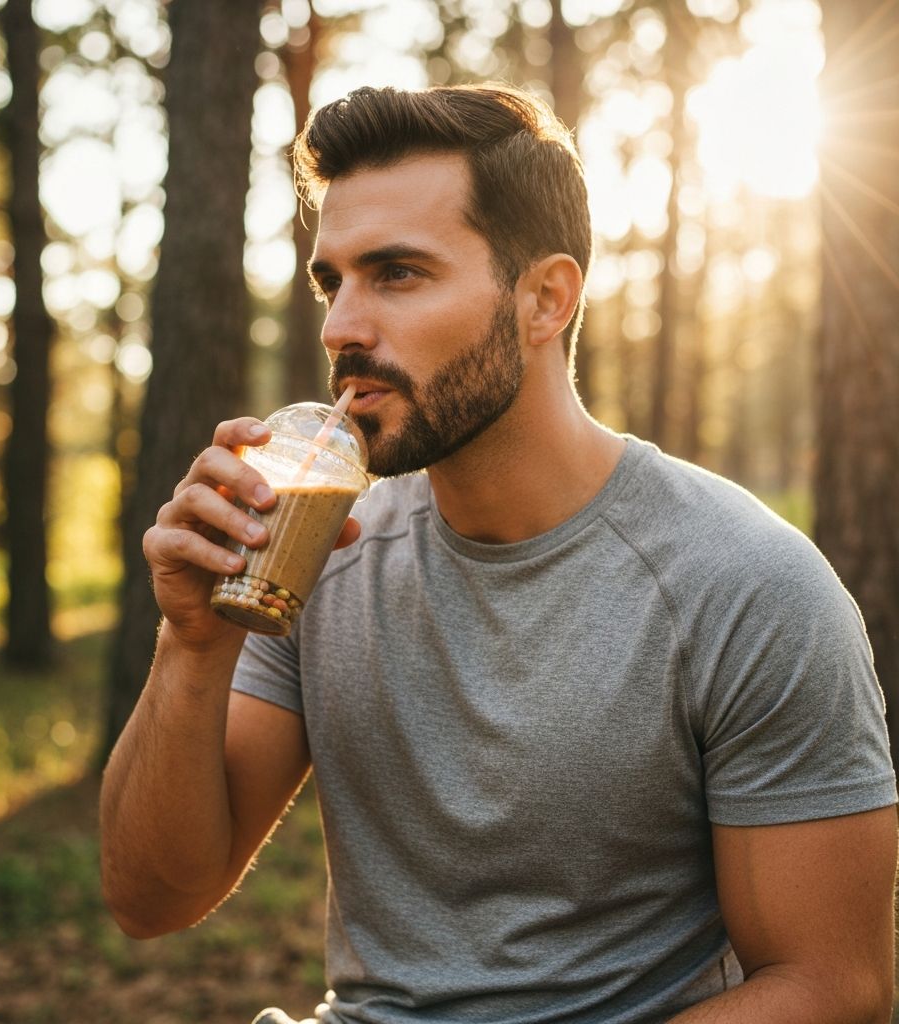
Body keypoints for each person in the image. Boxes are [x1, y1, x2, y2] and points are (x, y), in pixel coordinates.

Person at [99, 84, 898, 1024]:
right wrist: (192, 646)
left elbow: (831, 987)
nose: (340, 327)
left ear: (545, 299)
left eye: (397, 273)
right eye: (333, 280)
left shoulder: (744, 583)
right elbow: (152, 900)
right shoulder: (314, 547)